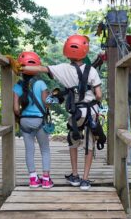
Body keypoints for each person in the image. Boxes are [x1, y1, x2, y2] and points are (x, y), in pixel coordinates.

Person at [18, 34, 103, 191]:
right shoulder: (91, 71)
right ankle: (85, 179)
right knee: (89, 144)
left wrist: (20, 67)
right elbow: (98, 95)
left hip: (76, 113)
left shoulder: (62, 69)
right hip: (91, 111)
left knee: (73, 142)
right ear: (85, 51)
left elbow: (40, 68)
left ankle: (75, 176)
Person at [12, 51, 54, 189]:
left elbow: (16, 109)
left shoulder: (17, 86)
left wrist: (20, 117)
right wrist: (51, 99)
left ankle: (33, 179)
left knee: (29, 150)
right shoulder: (41, 83)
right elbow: (46, 103)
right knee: (45, 150)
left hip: (24, 121)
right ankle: (46, 180)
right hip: (39, 121)